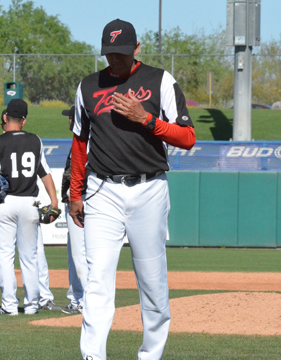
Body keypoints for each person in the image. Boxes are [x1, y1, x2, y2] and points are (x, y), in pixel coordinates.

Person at [69, 19, 196, 360]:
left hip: (148, 189)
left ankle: (150, 355)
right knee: (96, 281)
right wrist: (75, 193)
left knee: (152, 283)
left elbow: (188, 138)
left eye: (122, 53)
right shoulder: (87, 87)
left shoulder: (159, 81)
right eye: (110, 54)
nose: (116, 60)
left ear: (136, 49)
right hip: (102, 190)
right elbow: (80, 143)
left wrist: (146, 119)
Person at [0, 99, 59, 315]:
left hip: (5, 202)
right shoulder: (35, 140)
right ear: (24, 120)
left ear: (5, 118)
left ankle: (9, 306)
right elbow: (44, 172)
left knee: (5, 257)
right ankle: (31, 306)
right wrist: (54, 201)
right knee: (30, 258)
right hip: (30, 203)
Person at [60, 105, 88, 315]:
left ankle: (88, 301)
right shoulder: (78, 142)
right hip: (76, 200)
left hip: (83, 200)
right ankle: (76, 299)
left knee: (80, 254)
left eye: (70, 118)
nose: (68, 121)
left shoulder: (85, 142)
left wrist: (74, 198)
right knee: (73, 254)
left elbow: (79, 174)